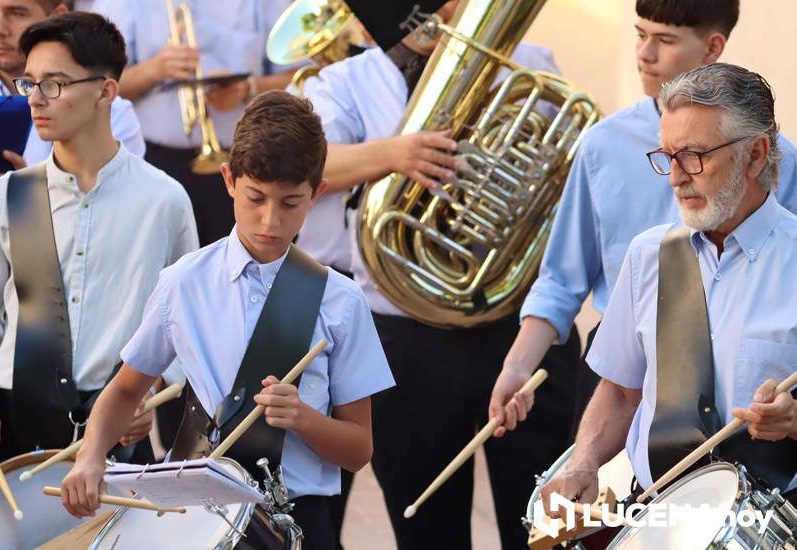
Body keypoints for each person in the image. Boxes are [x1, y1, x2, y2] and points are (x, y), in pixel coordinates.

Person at [58, 90, 394, 550]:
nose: (270, 220)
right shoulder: (184, 282)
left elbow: (359, 450)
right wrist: (91, 457)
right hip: (199, 516)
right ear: (229, 180)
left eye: (290, 203)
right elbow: (124, 389)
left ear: (317, 194)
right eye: (256, 197)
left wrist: (303, 419)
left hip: (298, 519)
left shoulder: (341, 300)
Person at [300, 3, 580, 549]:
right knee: (427, 530)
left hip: (519, 325)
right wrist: (392, 154)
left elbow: (566, 173)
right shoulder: (342, 81)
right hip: (405, 336)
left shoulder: (530, 62)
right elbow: (308, 166)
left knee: (547, 529)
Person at [489, 0, 797, 441]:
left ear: (713, 46)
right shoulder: (600, 144)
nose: (645, 54)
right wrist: (517, 366)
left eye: (665, 40)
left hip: (734, 372)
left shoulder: (774, 156)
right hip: (620, 366)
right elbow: (561, 279)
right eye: (640, 34)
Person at [540, 63, 797, 513]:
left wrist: (794, 422)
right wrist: (583, 462)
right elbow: (621, 392)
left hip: (774, 522)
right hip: (659, 516)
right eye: (667, 155)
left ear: (755, 155)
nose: (676, 177)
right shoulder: (648, 255)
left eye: (695, 156)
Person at [0, 11, 197, 464]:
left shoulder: (165, 200)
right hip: (11, 424)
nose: (35, 100)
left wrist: (155, 390)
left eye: (55, 84)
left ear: (106, 92)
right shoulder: (7, 196)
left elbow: (185, 323)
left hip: (116, 433)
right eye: (30, 83)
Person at [0, 0, 146, 325]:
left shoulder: (109, 114)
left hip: (70, 325)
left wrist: (29, 199)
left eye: (17, 13)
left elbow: (116, 235)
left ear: (58, 18)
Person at [89, 0, 296, 248]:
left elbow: (299, 78)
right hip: (154, 161)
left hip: (244, 164)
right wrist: (153, 70)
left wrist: (248, 88)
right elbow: (91, 86)